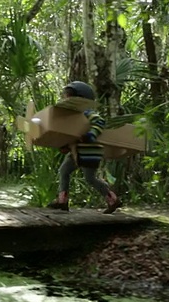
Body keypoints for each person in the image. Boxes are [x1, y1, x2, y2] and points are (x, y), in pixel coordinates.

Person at [47, 81, 122, 214]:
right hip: (76, 151)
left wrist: (90, 135)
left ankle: (112, 198)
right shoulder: (72, 116)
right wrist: (65, 146)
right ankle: (62, 200)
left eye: (69, 95)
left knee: (90, 178)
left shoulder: (87, 112)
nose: (66, 98)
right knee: (64, 170)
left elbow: (100, 122)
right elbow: (72, 134)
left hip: (90, 151)